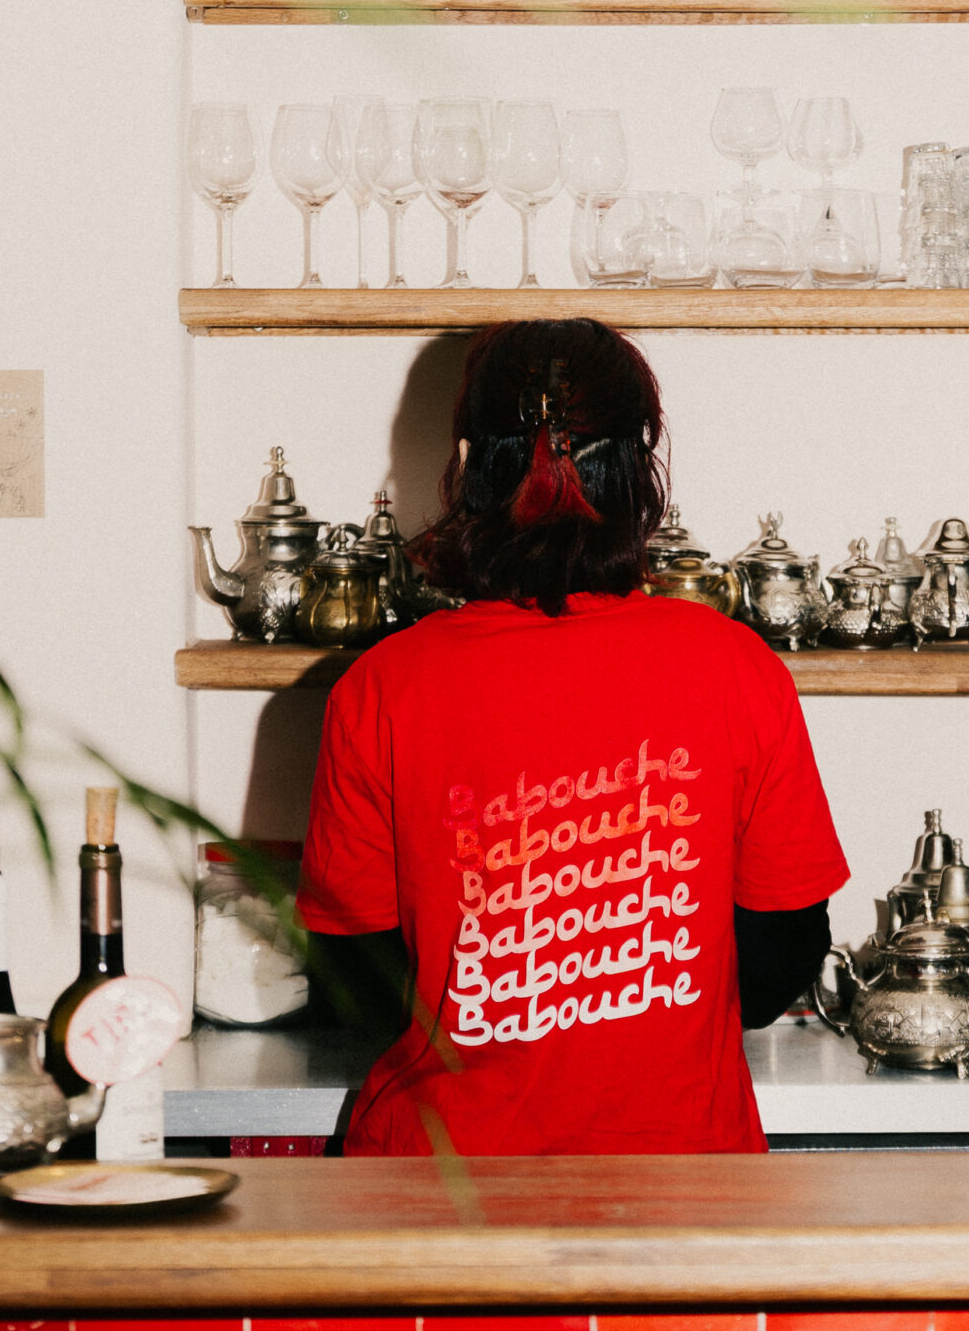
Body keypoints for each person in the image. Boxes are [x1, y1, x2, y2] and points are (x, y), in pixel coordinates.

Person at [298, 317, 848, 1156]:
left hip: (436, 1209)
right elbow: (780, 957)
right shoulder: (736, 667)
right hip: (682, 1199)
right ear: (641, 473)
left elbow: (358, 988)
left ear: (468, 468)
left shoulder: (381, 686)